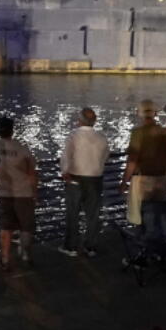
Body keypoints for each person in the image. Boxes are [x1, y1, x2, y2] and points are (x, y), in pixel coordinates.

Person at [59, 107, 110, 258]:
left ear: (79, 120)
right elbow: (106, 157)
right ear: (94, 121)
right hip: (95, 179)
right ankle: (91, 246)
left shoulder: (73, 136)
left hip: (75, 178)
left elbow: (66, 156)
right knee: (93, 215)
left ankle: (71, 246)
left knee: (72, 214)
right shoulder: (102, 137)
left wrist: (64, 171)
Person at [0, 117, 37, 268]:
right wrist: (35, 192)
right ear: (12, 130)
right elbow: (32, 173)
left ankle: (5, 259)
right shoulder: (22, 148)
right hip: (23, 192)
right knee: (26, 226)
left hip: (3, 192)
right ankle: (25, 254)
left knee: (5, 227)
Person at [122, 100, 166, 226]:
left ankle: (145, 240)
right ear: (155, 113)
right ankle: (158, 240)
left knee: (141, 214)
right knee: (159, 213)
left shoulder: (137, 133)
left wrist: (125, 181)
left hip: (142, 179)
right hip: (162, 178)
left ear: (138, 113)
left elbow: (133, 159)